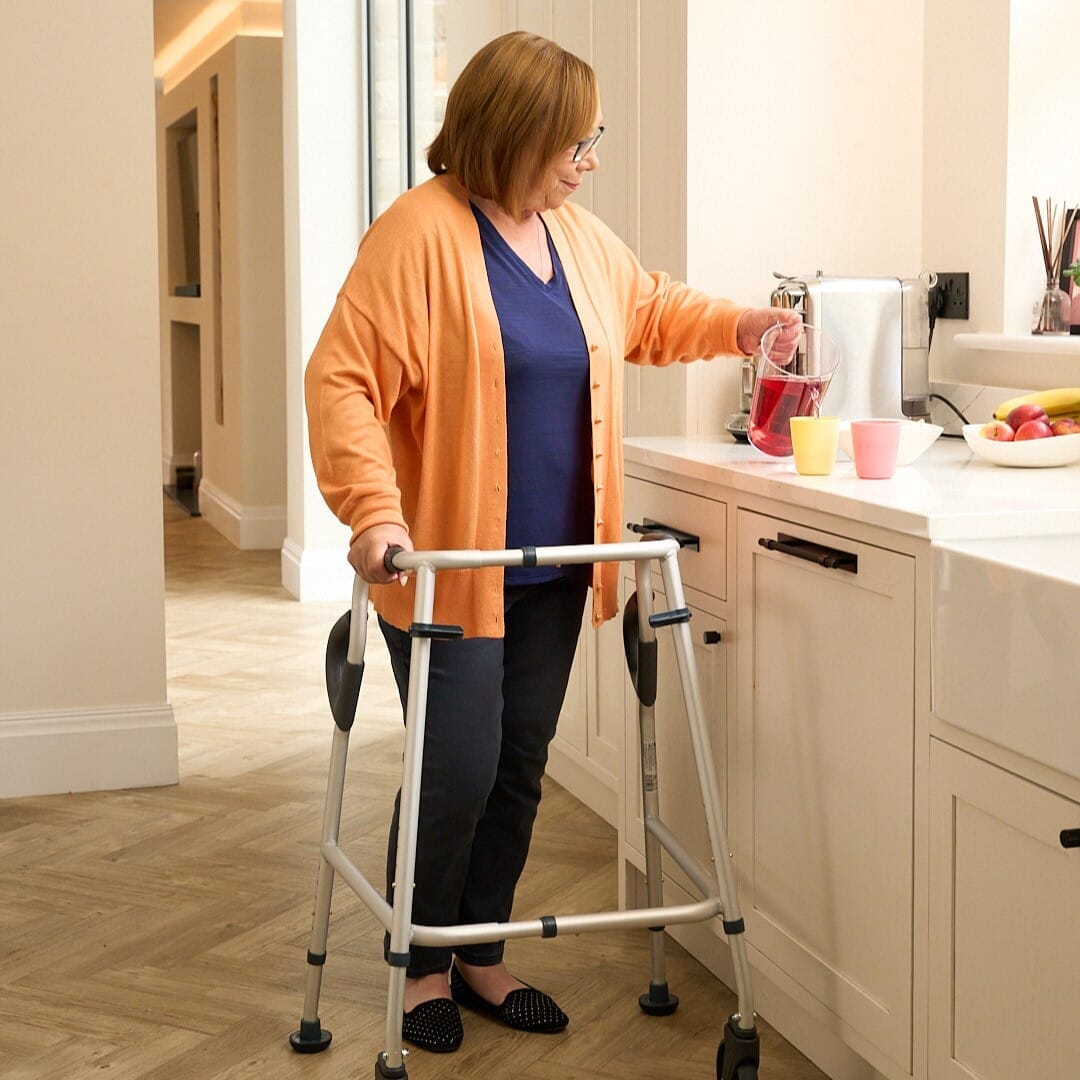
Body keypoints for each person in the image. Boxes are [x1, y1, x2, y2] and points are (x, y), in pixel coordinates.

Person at [305, 30, 801, 1055]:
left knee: (519, 765)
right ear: (515, 134)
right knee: (457, 768)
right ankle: (421, 965)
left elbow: (647, 307)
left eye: (594, 141)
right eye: (575, 144)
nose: (589, 163)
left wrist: (741, 326)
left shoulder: (572, 236)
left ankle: (480, 954)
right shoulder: (418, 233)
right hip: (450, 570)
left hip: (560, 566)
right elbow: (343, 380)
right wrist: (373, 513)